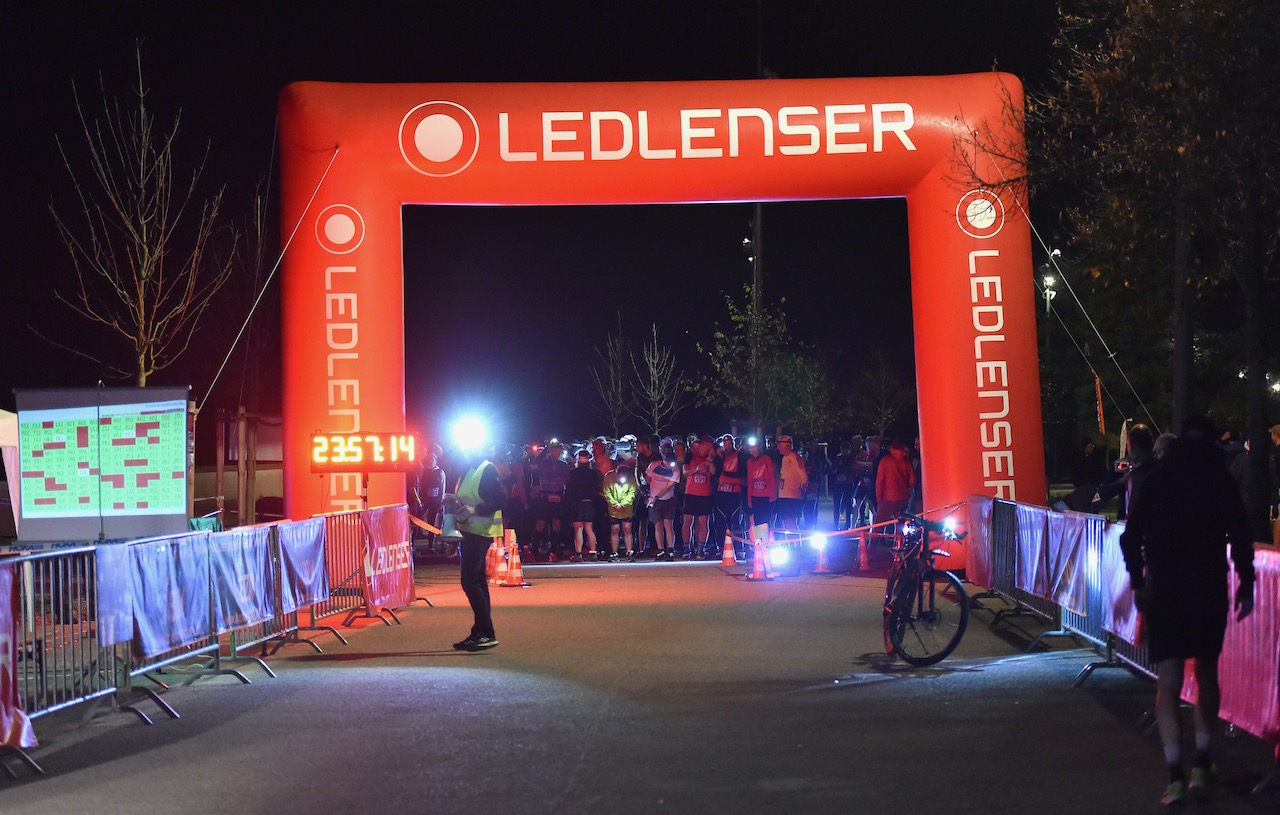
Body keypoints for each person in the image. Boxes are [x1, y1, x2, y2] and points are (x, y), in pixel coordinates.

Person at [1118, 416, 1255, 805]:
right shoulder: (1218, 480)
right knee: (1207, 672)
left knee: (1169, 680)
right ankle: (1203, 763)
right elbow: (1242, 535)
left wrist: (1140, 581)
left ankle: (1175, 774)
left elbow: (1130, 538)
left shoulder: (1159, 480)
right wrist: (1246, 586)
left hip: (1165, 590)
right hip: (1208, 587)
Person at [447, 451, 510, 651]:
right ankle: (481, 631)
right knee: (478, 582)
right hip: (468, 531)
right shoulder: (468, 469)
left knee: (470, 581)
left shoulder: (486, 469)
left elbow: (501, 499)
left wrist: (477, 510)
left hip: (480, 532)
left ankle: (486, 632)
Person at [681, 435, 717, 558]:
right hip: (691, 493)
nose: (708, 448)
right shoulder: (690, 455)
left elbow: (713, 472)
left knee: (703, 522)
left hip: (704, 494)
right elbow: (685, 472)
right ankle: (687, 548)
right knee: (688, 521)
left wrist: (711, 461)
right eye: (706, 445)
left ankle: (701, 549)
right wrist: (697, 469)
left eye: (710, 446)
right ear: (701, 445)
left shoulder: (710, 457)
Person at [565, 448, 602, 561]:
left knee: (578, 528)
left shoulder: (573, 473)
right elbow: (597, 488)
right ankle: (593, 552)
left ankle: (578, 553)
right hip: (590, 502)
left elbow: (569, 489)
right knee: (589, 528)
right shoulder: (593, 473)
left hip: (577, 502)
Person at [714, 434, 746, 559]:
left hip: (735, 492)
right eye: (724, 443)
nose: (727, 445)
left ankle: (739, 548)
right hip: (721, 493)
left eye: (729, 442)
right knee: (720, 521)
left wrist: (727, 477)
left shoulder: (740, 456)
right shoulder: (720, 457)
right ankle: (722, 547)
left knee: (735, 520)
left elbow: (743, 475)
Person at [645, 447, 681, 560]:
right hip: (654, 500)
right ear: (664, 460)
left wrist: (656, 496)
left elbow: (669, 486)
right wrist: (652, 494)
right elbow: (648, 478)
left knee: (668, 526)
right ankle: (660, 550)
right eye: (668, 463)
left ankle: (670, 549)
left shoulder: (675, 470)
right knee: (658, 525)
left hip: (668, 499)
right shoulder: (653, 465)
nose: (671, 465)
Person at [874, 439, 915, 525]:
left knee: (879, 524)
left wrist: (879, 500)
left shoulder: (885, 460)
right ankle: (899, 538)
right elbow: (912, 481)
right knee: (900, 522)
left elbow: (880, 481)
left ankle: (876, 539)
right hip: (903, 497)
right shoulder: (906, 462)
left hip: (889, 497)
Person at [603, 462, 637, 561]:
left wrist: (623, 504)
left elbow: (632, 492)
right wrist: (615, 504)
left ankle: (629, 551)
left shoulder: (631, 478)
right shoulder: (609, 477)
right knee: (615, 529)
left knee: (627, 529)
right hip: (614, 509)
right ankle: (614, 552)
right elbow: (607, 492)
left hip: (626, 509)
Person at [774, 435, 807, 531]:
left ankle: (797, 545)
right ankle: (791, 544)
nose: (778, 448)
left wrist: (801, 491)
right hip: (784, 495)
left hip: (792, 496)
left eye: (779, 445)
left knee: (790, 523)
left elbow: (804, 476)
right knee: (786, 523)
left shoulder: (794, 458)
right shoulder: (785, 458)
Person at [744, 437, 777, 530]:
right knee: (757, 521)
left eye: (753, 447)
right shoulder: (749, 462)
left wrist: (772, 495)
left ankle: (767, 541)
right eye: (750, 447)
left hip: (766, 496)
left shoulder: (766, 459)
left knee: (766, 520)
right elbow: (750, 481)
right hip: (755, 496)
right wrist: (749, 499)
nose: (752, 449)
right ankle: (760, 542)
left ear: (758, 447)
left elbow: (772, 477)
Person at [829, 441, 856, 530]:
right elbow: (832, 469)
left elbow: (853, 469)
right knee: (837, 504)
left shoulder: (851, 459)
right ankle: (836, 524)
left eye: (846, 449)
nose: (845, 451)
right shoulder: (838, 458)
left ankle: (847, 524)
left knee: (848, 504)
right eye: (844, 449)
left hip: (847, 483)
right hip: (839, 483)